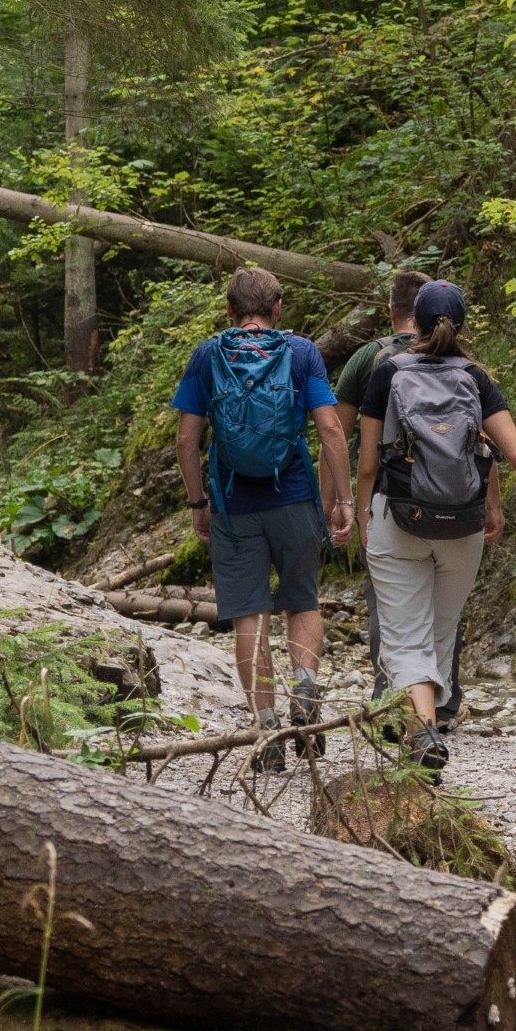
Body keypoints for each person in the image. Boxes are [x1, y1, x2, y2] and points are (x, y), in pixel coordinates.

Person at [357, 279, 516, 770]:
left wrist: (363, 516)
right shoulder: (476, 377)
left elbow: (366, 463)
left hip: (398, 517)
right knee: (442, 630)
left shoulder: (387, 371)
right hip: (461, 525)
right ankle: (431, 723)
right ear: (462, 325)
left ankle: (420, 730)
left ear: (412, 322)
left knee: (403, 637)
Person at [174, 266, 353, 772]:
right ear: (278, 309)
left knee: (250, 614)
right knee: (302, 599)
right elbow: (330, 431)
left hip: (233, 505)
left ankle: (267, 729)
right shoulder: (301, 353)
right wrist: (342, 499)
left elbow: (187, 441)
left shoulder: (208, 356)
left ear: (229, 311)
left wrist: (197, 503)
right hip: (294, 497)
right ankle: (306, 692)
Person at [336, 270, 502, 725]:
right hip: (460, 510)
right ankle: (442, 707)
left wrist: (349, 505)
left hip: (398, 503)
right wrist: (492, 504)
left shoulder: (372, 361)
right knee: (442, 619)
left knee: (395, 617)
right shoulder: (472, 373)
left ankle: (395, 705)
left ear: (395, 311)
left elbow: (340, 435)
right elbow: (486, 449)